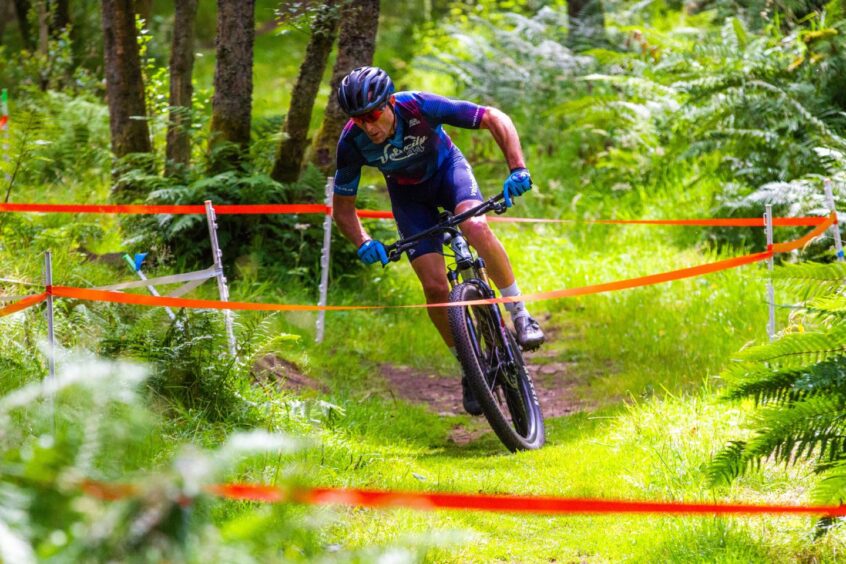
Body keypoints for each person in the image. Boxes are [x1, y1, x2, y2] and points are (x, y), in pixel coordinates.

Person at [331, 66, 544, 415]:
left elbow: (494, 116)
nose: (368, 126)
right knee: (433, 287)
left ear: (390, 103)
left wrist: (517, 167)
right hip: (409, 200)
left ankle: (520, 314)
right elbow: (343, 210)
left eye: (372, 114)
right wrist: (363, 241)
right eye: (358, 119)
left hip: (449, 174)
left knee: (476, 227)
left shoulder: (419, 106)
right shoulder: (351, 143)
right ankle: (469, 366)